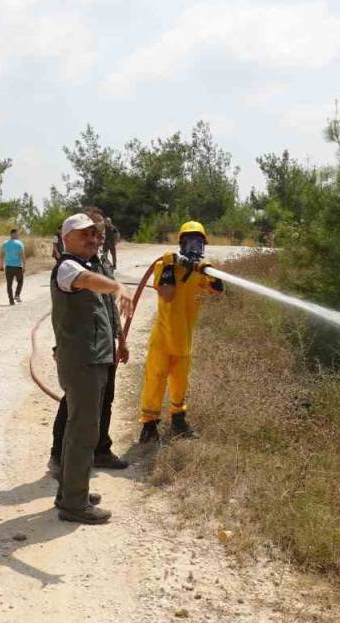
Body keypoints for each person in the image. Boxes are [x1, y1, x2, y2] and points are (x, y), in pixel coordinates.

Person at [51, 213, 133, 524]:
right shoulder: (68, 267)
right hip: (82, 361)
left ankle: (72, 491)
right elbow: (85, 282)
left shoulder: (88, 266)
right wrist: (117, 287)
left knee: (82, 430)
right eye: (83, 234)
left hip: (96, 358)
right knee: (83, 432)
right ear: (66, 237)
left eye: (93, 234)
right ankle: (74, 505)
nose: (92, 239)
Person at [138, 220, 225, 443]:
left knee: (180, 382)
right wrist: (170, 266)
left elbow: (218, 291)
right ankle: (149, 425)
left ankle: (178, 420)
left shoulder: (201, 271)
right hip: (163, 338)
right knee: (155, 380)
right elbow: (166, 294)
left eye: (199, 242)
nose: (194, 246)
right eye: (190, 241)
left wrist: (210, 270)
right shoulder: (164, 266)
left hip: (184, 338)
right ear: (181, 243)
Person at [0, 228, 25, 305]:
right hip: (17, 266)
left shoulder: (5, 243)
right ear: (12, 234)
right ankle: (17, 295)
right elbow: (22, 256)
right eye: (17, 234)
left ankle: (11, 300)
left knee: (9, 284)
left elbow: (2, 255)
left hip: (8, 267)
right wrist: (24, 265)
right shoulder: (19, 243)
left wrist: (1, 265)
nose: (18, 235)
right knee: (20, 281)